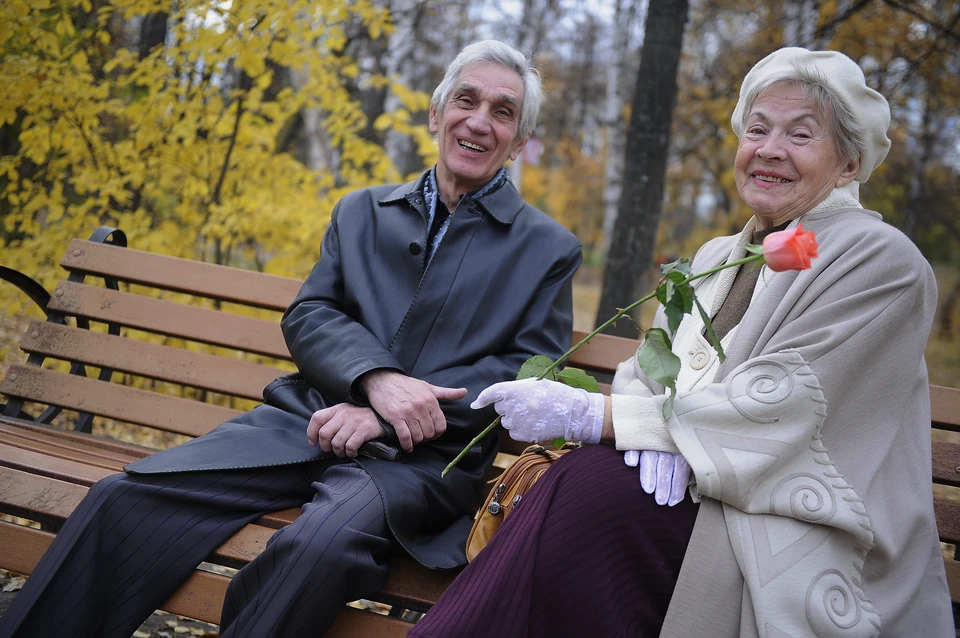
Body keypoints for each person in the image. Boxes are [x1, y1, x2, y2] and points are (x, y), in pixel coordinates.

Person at [0, 40, 583, 638]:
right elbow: (311, 312)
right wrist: (375, 382)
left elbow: (527, 372)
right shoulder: (362, 212)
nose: (480, 121)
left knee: (318, 549)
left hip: (420, 464)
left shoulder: (547, 250)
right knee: (121, 499)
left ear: (516, 143)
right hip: (304, 421)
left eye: (504, 112)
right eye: (466, 100)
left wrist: (392, 417)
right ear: (437, 115)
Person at [408, 47, 953, 637]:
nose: (769, 149)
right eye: (757, 129)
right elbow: (649, 369)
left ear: (848, 165)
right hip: (700, 507)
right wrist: (649, 434)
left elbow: (789, 405)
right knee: (586, 490)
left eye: (801, 134)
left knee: (589, 494)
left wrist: (613, 420)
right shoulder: (717, 257)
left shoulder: (884, 262)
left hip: (787, 533)